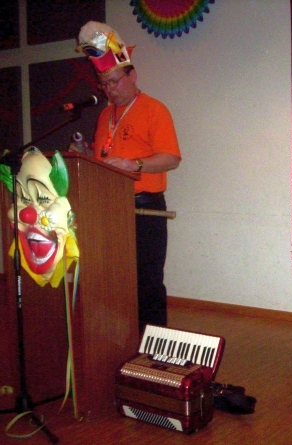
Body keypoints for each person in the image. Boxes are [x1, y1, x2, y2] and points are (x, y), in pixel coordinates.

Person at [73, 22, 181, 332]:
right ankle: (120, 342)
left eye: (114, 82)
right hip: (109, 208)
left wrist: (133, 165)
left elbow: (171, 158)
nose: (109, 89)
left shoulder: (154, 110)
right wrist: (85, 152)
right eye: (103, 84)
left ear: (132, 76)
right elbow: (105, 156)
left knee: (147, 282)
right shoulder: (105, 115)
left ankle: (155, 348)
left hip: (144, 208)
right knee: (114, 280)